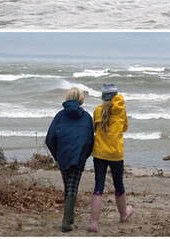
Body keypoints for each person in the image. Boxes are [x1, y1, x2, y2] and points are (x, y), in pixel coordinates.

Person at [45, 88, 94, 232]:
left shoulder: (59, 116)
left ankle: (69, 218)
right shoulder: (86, 117)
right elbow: (91, 140)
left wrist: (57, 155)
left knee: (68, 185)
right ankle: (66, 221)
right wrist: (84, 155)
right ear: (81, 99)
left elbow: (49, 139)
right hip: (78, 156)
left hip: (63, 155)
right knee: (72, 186)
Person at [88, 83, 134, 232]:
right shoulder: (121, 110)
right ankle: (123, 214)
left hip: (100, 152)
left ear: (103, 97)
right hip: (116, 153)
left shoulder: (97, 110)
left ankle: (94, 222)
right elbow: (125, 128)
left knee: (99, 185)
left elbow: (94, 129)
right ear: (115, 95)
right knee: (118, 184)